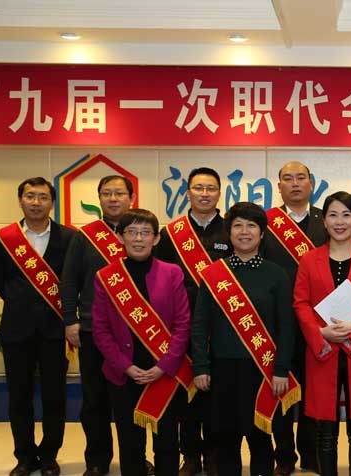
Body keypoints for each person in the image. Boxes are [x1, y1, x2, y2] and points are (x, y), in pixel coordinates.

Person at [192, 202, 298, 476]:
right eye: (238, 225)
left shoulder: (276, 274)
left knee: (260, 436)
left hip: (262, 370)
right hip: (222, 369)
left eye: (252, 226)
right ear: (229, 233)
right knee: (225, 437)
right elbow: (200, 325)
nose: (244, 232)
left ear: (262, 234)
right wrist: (201, 367)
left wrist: (281, 369)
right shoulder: (214, 274)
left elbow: (286, 327)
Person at [92, 209, 194, 476]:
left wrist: (165, 365)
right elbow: (101, 330)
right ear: (119, 237)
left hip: (164, 372)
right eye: (132, 232)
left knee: (167, 442)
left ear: (156, 238)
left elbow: (183, 324)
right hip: (125, 374)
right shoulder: (107, 276)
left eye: (146, 232)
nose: (139, 239)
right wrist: (124, 366)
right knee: (130, 443)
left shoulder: (172, 273)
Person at [294, 191, 351, 476]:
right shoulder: (309, 260)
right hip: (322, 351)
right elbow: (300, 303)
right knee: (326, 428)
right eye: (333, 215)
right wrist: (320, 333)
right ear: (323, 221)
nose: (339, 222)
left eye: (346, 215)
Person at [61, 175, 147, 476]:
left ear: (131, 197)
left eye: (119, 193)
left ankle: (136, 460)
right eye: (107, 193)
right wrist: (70, 320)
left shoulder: (143, 232)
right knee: (95, 400)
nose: (113, 199)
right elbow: (69, 280)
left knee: (133, 402)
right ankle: (97, 460)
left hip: (136, 330)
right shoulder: (84, 236)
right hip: (93, 330)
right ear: (99, 199)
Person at [0, 177, 74, 476]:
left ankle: (49, 456)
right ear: (20, 200)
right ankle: (24, 457)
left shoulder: (69, 237)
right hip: (17, 328)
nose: (36, 202)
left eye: (43, 197)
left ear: (52, 202)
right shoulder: (2, 238)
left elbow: (72, 281)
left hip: (54, 330)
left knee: (54, 397)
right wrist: (21, 302)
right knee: (19, 397)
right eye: (30, 196)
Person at [154, 167, 230, 476]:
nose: (204, 194)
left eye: (211, 188)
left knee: (216, 395)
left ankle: (214, 455)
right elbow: (159, 279)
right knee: (186, 393)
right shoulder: (171, 234)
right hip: (181, 326)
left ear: (219, 193)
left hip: (224, 325)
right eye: (198, 188)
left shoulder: (232, 230)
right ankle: (190, 455)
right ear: (187, 192)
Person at [260, 161, 328, 476]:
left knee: (315, 391)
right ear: (279, 186)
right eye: (288, 178)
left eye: (301, 178)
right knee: (281, 390)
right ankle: (284, 457)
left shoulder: (326, 221)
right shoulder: (266, 222)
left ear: (311, 184)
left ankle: (311, 454)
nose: (295, 183)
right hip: (277, 323)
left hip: (319, 322)